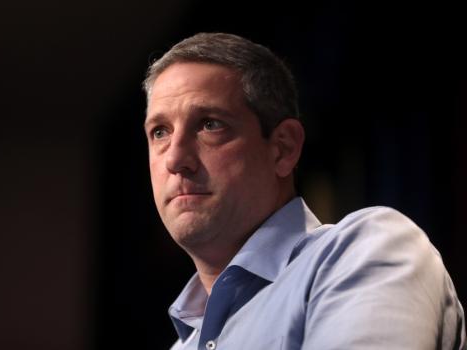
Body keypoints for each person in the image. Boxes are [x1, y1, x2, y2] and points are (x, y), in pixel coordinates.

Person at [142, 32, 466, 350]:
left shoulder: (364, 251)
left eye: (210, 124)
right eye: (160, 132)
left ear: (283, 148)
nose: (174, 158)